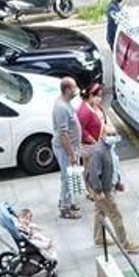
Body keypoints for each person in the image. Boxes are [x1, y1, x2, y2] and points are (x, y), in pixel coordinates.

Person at [85, 128, 139, 252]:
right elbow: (94, 174)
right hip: (103, 190)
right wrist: (98, 192)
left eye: (114, 134)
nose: (112, 137)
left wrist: (117, 182)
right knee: (116, 216)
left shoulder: (110, 148)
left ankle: (99, 238)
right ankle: (126, 244)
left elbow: (113, 167)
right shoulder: (99, 151)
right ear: (102, 135)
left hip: (109, 186)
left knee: (100, 212)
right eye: (108, 134)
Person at [52, 77, 82, 220]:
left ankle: (66, 201)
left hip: (71, 147)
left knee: (70, 175)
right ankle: (65, 208)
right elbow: (63, 134)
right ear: (67, 90)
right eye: (74, 88)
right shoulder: (61, 108)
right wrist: (70, 153)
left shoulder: (66, 103)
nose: (76, 91)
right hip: (65, 149)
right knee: (67, 177)